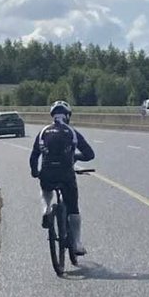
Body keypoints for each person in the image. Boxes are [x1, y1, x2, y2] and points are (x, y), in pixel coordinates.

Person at [30, 100, 95, 255]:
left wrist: (35, 172)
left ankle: (46, 210)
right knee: (73, 209)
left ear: (53, 116)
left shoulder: (43, 132)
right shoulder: (72, 132)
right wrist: (75, 157)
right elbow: (90, 154)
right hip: (66, 174)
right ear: (67, 116)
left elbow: (34, 156)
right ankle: (77, 244)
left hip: (47, 172)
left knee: (46, 190)